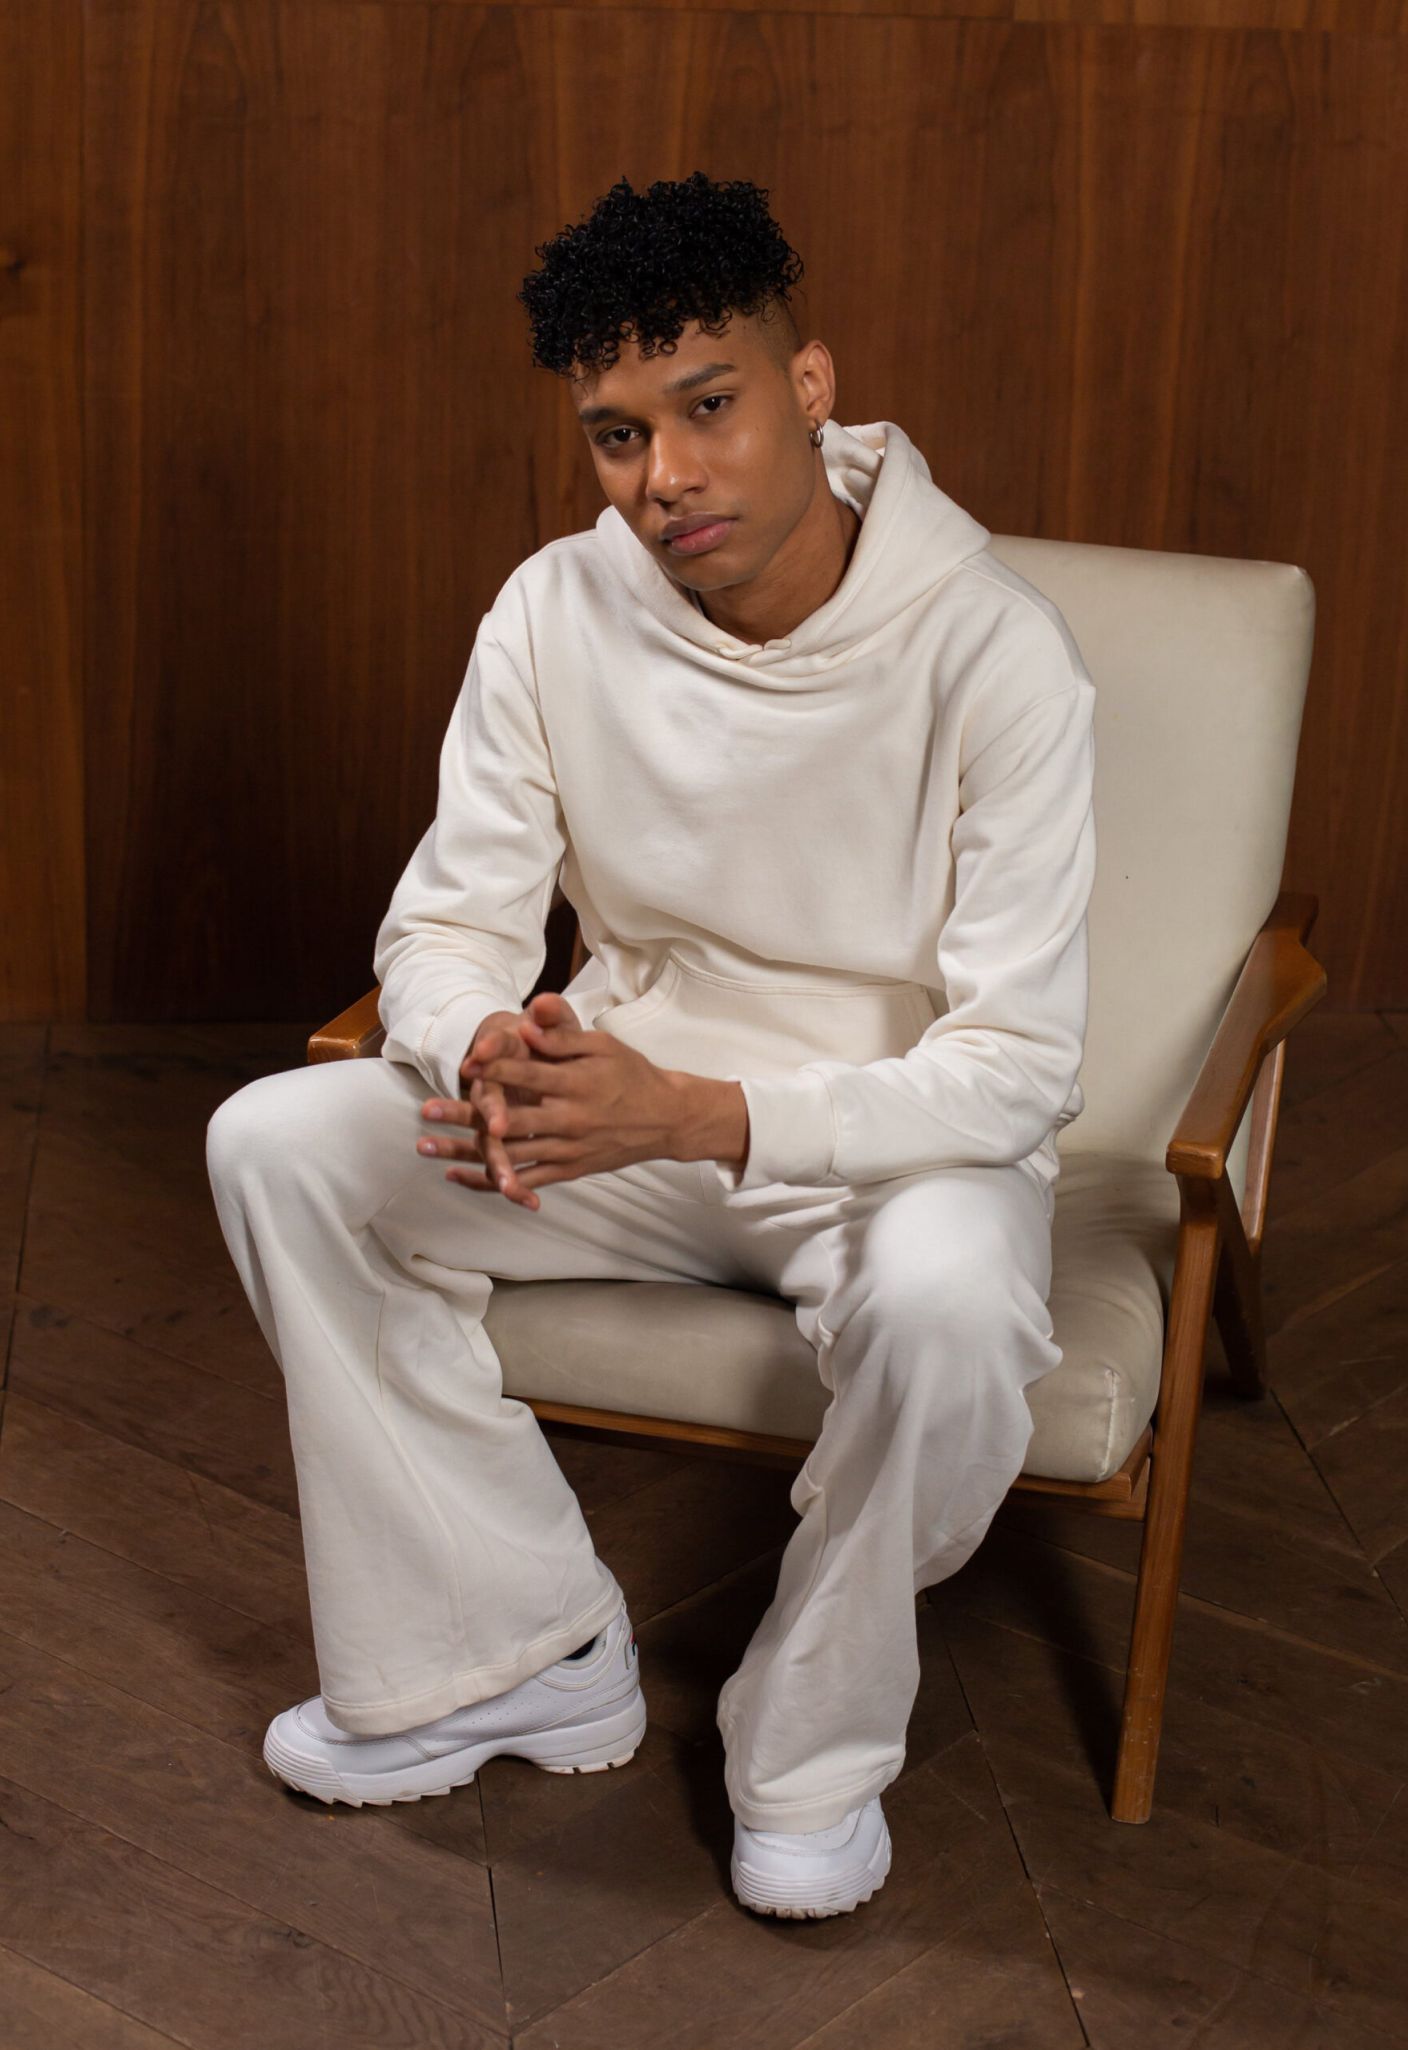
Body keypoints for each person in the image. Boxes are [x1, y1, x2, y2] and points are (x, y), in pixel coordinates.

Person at [206, 170, 1097, 1921]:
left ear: (811, 388)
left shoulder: (1000, 652)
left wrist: (691, 1109)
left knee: (952, 1311)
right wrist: (486, 1043)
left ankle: (808, 1742)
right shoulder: (555, 608)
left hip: (888, 1152)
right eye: (619, 436)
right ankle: (514, 1649)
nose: (665, 475)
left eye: (709, 408)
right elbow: (443, 928)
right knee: (275, 1146)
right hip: (614, 1119)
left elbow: (1019, 1067)